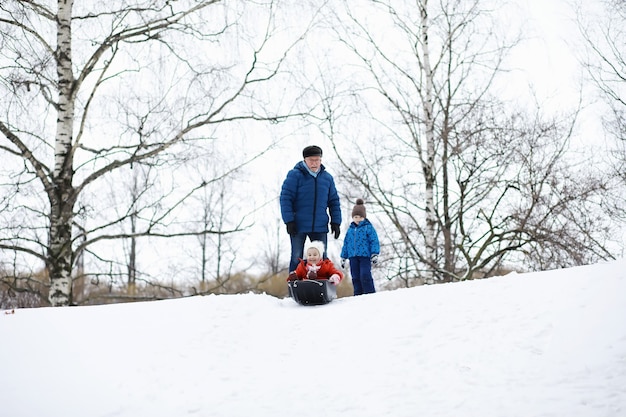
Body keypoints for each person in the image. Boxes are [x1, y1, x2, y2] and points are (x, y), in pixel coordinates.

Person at [280, 145, 342, 273]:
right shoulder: (295, 175)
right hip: (298, 225)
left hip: (320, 225)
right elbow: (286, 198)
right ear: (305, 160)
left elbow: (334, 201)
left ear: (321, 160)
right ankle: (294, 287)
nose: (314, 163)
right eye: (311, 160)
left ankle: (323, 287)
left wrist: (336, 222)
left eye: (317, 160)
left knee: (322, 258)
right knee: (296, 257)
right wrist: (289, 221)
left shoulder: (327, 178)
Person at [340, 199, 380, 295]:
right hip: (352, 257)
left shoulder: (368, 227)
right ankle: (358, 294)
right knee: (355, 277)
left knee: (365, 274)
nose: (358, 219)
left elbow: (374, 240)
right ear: (353, 217)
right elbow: (346, 243)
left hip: (364, 256)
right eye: (356, 217)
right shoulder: (350, 230)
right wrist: (343, 257)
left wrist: (374, 253)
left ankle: (370, 293)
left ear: (364, 217)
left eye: (360, 217)